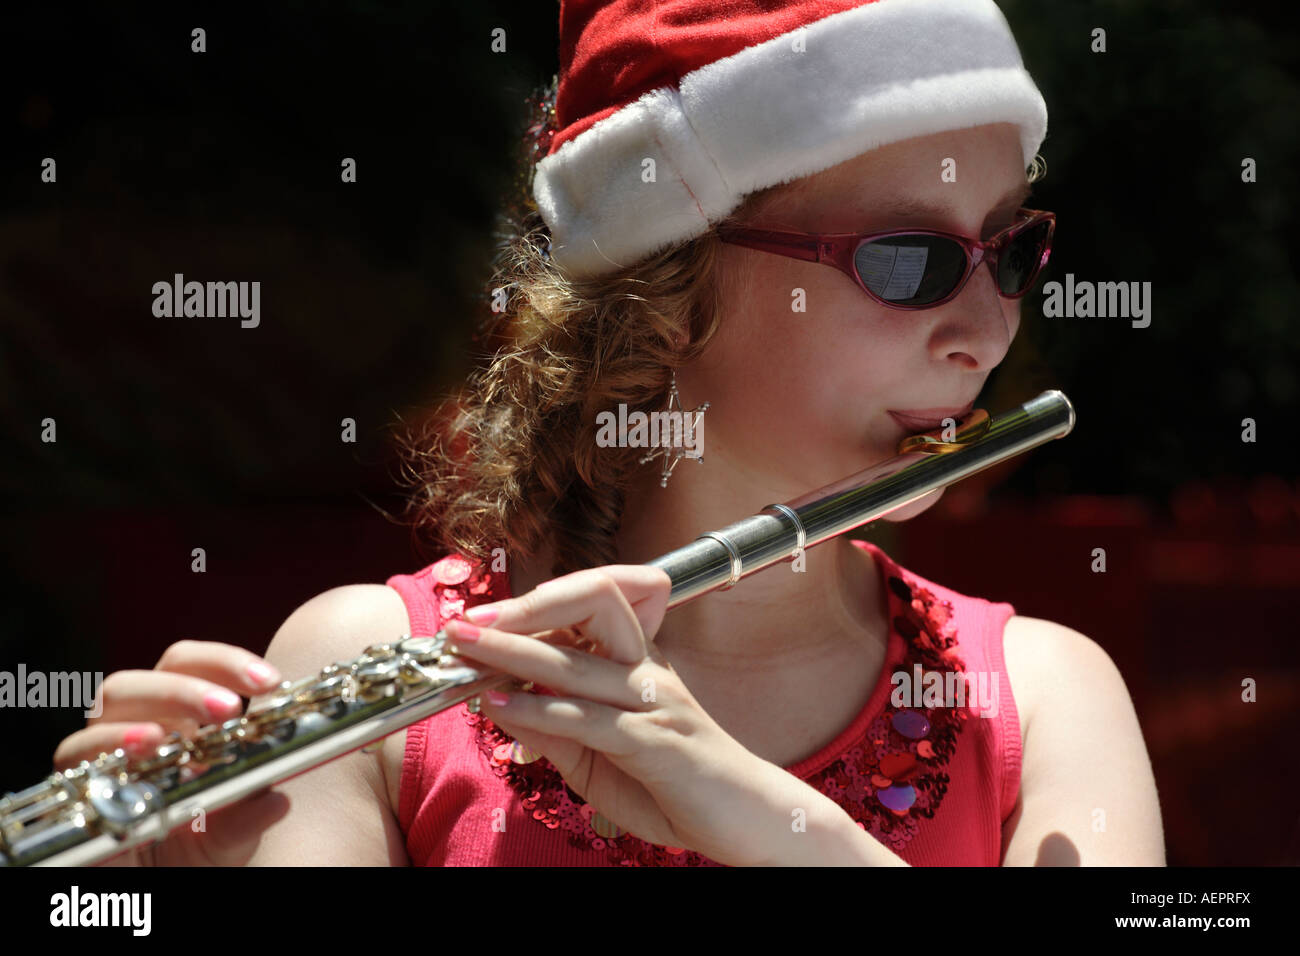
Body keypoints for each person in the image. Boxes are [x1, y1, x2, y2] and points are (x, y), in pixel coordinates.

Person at [54, 0, 1165, 866]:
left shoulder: (1046, 695)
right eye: (910, 260)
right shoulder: (360, 675)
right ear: (666, 289)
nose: (984, 328)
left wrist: (776, 827)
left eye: (1010, 250)